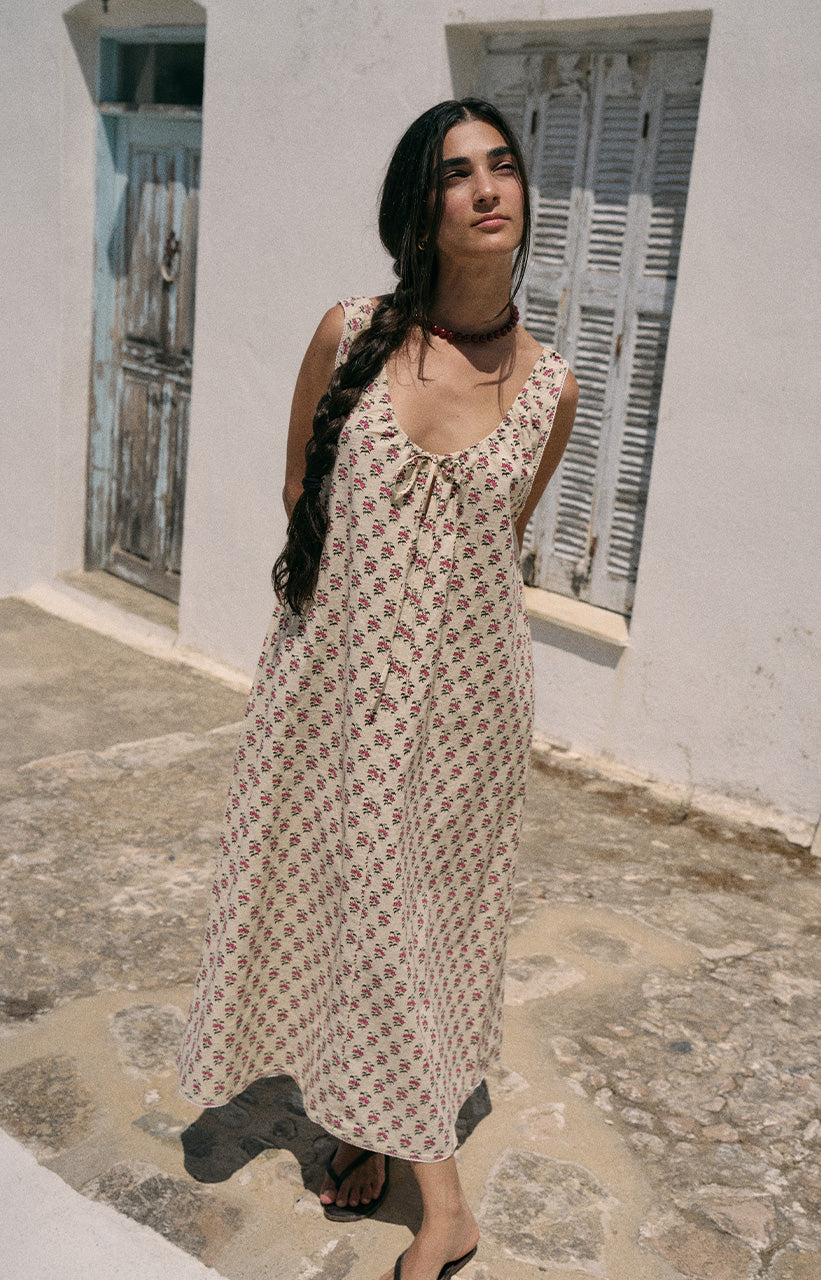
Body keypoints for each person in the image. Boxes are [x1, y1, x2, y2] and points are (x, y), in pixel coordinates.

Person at [177, 98, 578, 1280]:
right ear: (423, 204)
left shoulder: (549, 387)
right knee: (345, 902)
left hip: (462, 714)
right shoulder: (348, 330)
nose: (488, 188)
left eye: (502, 166)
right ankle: (358, 1117)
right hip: (333, 689)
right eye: (458, 173)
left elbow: (492, 543)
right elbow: (306, 477)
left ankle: (439, 1206)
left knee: (410, 922)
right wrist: (348, 640)